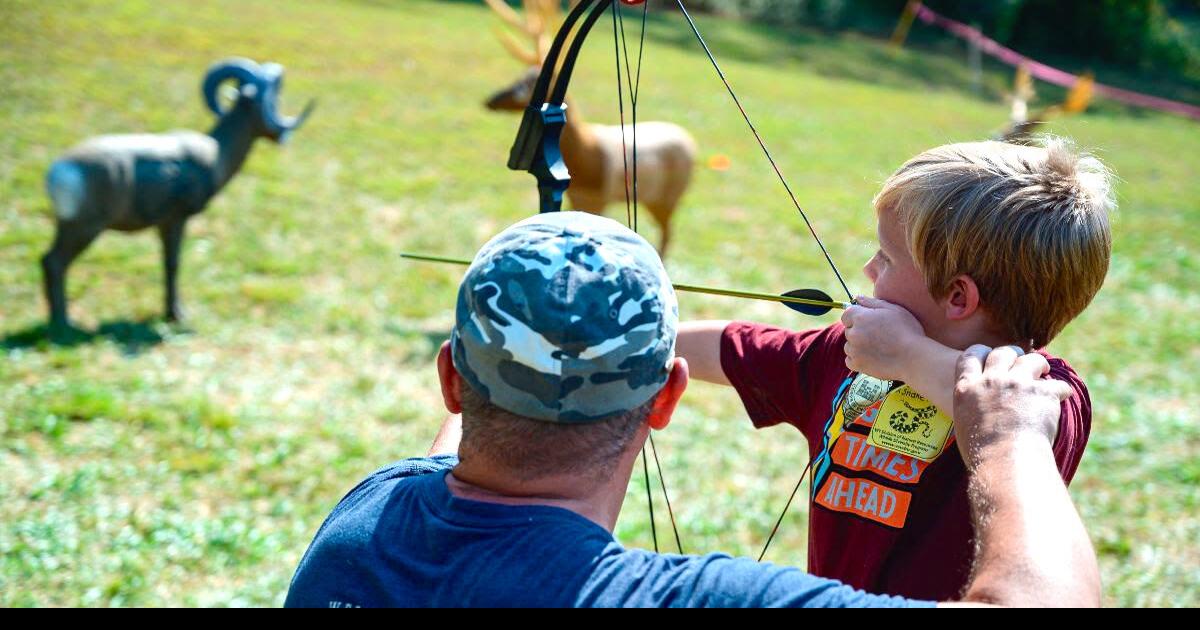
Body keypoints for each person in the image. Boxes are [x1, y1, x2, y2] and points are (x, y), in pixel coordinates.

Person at [285, 211, 1099, 608]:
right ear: (668, 396)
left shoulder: (361, 523)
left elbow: (447, 460)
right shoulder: (693, 598)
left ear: (451, 382)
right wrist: (1010, 438)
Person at [676, 138, 1114, 600]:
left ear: (958, 297)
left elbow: (1001, 409)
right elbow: (741, 350)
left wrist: (906, 353)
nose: (867, 267)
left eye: (885, 257)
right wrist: (646, 342)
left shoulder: (1046, 396)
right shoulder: (858, 355)